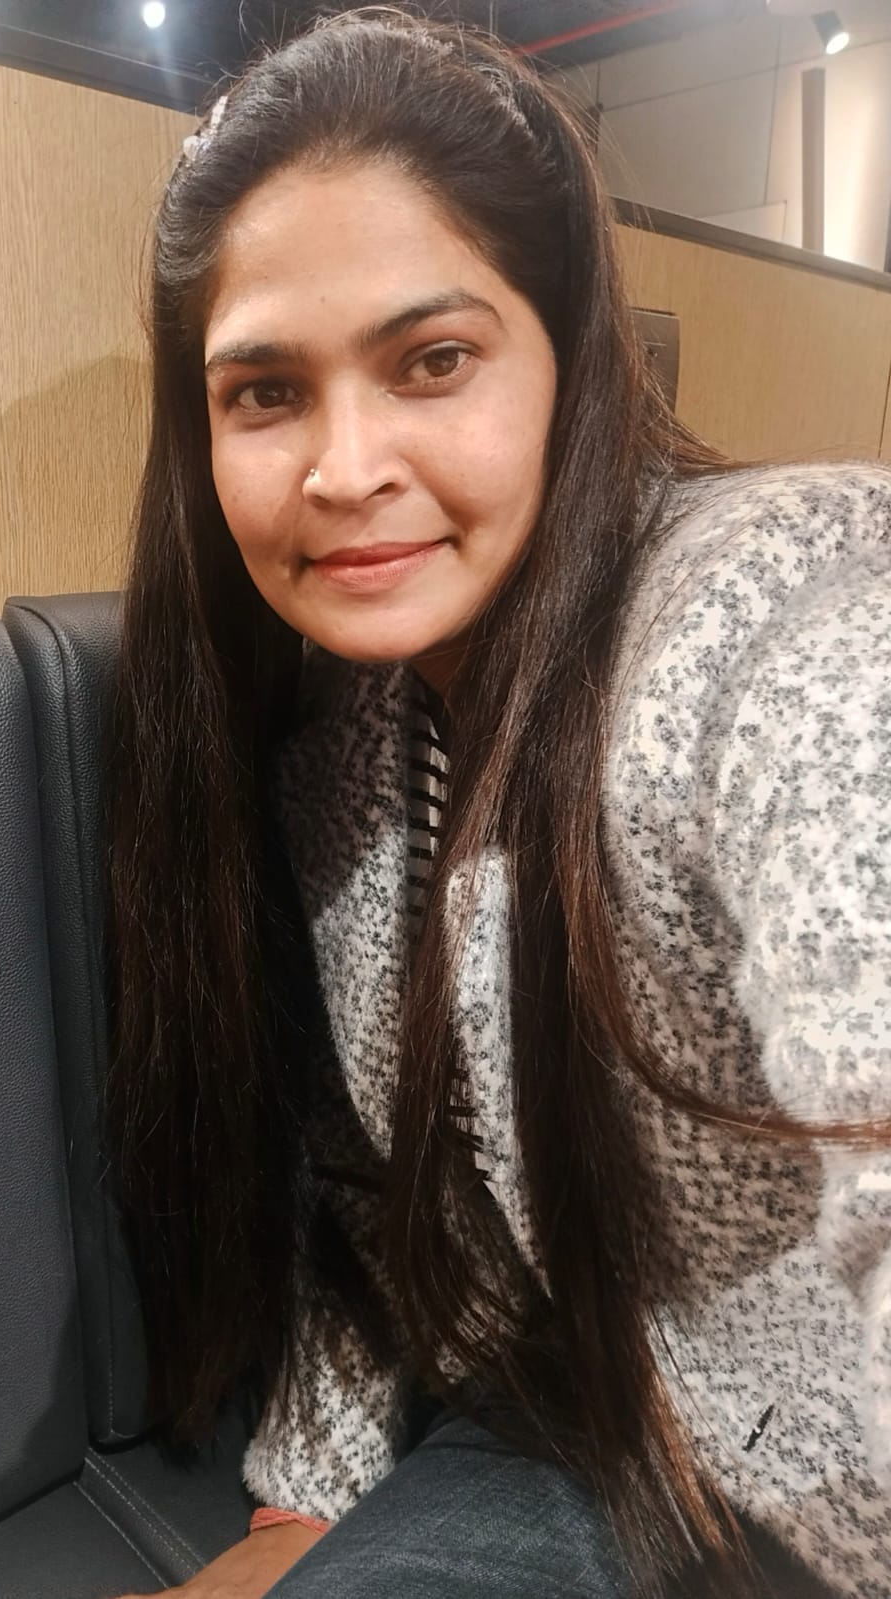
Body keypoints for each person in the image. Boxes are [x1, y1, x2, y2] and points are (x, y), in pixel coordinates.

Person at [105, 11, 891, 1597]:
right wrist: (301, 1519)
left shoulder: (791, 616)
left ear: (569, 358)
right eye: (267, 391)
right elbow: (367, 1188)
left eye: (433, 362)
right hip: (572, 1423)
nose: (344, 467)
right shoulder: (342, 741)